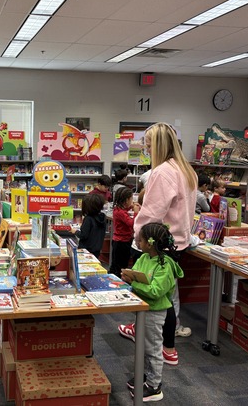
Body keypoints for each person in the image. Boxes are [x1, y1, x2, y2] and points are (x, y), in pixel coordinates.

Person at [118, 122, 197, 358]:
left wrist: (137, 239)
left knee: (157, 296)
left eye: (149, 146)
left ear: (159, 146)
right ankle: (162, 342)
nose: (147, 151)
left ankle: (164, 345)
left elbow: (151, 213)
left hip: (156, 244)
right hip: (178, 242)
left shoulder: (162, 172)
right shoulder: (186, 170)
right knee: (167, 294)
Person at [121, 223, 184, 402]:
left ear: (150, 243)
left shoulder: (166, 265)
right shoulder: (144, 257)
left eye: (139, 240)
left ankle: (155, 385)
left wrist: (134, 283)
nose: (137, 242)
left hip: (155, 312)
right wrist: (128, 277)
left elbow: (156, 291)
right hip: (142, 309)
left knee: (153, 348)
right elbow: (137, 274)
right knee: (142, 346)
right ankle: (143, 376)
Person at [111, 187, 139, 277]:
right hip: (122, 242)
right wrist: (136, 213)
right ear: (127, 200)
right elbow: (132, 223)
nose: (132, 201)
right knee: (121, 265)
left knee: (117, 263)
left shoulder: (118, 209)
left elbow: (125, 212)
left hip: (120, 241)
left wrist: (131, 207)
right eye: (131, 199)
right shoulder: (120, 212)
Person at [72, 193, 106, 258]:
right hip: (97, 248)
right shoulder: (102, 217)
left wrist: (75, 231)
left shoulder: (88, 219)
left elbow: (83, 235)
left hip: (86, 249)